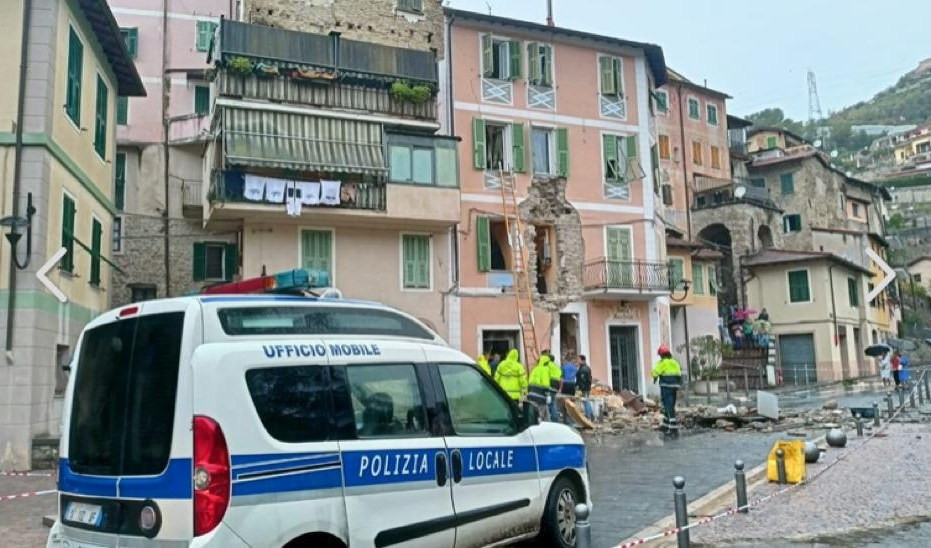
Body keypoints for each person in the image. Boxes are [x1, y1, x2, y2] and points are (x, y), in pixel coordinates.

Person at [652, 345, 683, 437]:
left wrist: (654, 379)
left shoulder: (662, 362)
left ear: (661, 355)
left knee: (668, 406)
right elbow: (679, 374)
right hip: (674, 387)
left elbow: (655, 372)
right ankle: (666, 425)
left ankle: (673, 428)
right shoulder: (675, 362)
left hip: (666, 386)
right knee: (670, 405)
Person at [528, 355, 554, 420]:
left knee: (535, 412)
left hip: (531, 394)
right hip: (540, 396)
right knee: (541, 413)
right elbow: (545, 385)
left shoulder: (535, 369)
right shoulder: (545, 370)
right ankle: (541, 424)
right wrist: (548, 395)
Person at [576, 355, 594, 421]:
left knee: (585, 401)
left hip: (583, 388)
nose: (577, 361)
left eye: (578, 359)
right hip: (585, 388)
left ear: (582, 360)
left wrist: (579, 388)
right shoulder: (585, 367)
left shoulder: (583, 369)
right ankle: (591, 416)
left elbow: (582, 380)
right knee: (586, 401)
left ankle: (588, 417)